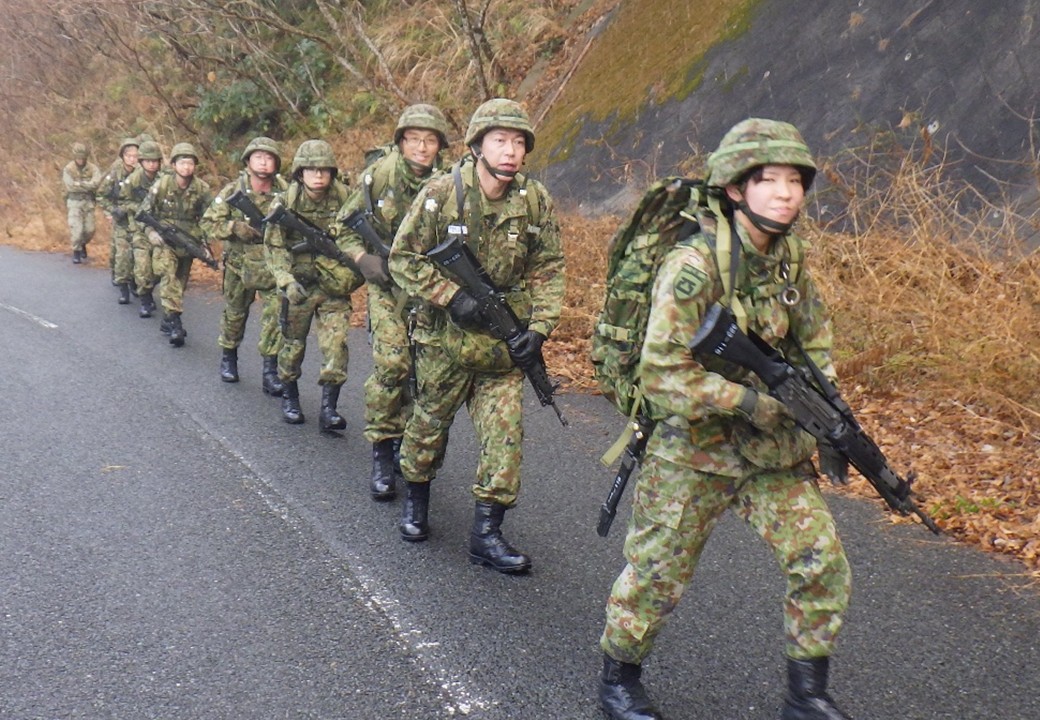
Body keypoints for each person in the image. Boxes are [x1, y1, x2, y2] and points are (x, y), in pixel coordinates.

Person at [596, 119, 853, 720]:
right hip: (693, 447)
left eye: (795, 181)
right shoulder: (694, 265)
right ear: (736, 189)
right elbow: (661, 371)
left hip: (771, 452)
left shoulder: (789, 259)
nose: (786, 194)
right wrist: (749, 403)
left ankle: (806, 696)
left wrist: (826, 409)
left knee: (821, 561)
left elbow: (814, 342)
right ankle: (618, 679)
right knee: (657, 572)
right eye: (770, 180)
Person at [387, 98, 565, 573]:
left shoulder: (533, 200)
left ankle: (487, 533)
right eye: (500, 140)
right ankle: (416, 501)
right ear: (477, 145)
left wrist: (539, 330)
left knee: (506, 439)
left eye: (519, 142)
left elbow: (549, 267)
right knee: (428, 426)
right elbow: (402, 259)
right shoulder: (442, 192)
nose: (511, 151)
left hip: (500, 347)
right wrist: (451, 297)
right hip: (443, 343)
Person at [331, 103, 449, 501]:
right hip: (386, 289)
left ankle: (406, 446)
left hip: (429, 293)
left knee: (423, 376)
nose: (422, 147)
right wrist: (362, 258)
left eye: (430, 140)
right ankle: (382, 449)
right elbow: (343, 226)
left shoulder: (452, 184)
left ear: (440, 145)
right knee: (392, 365)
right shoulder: (378, 176)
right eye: (414, 139)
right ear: (400, 141)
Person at [264, 139, 358, 430]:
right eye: (311, 169)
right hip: (299, 285)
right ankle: (289, 397)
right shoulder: (286, 202)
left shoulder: (345, 197)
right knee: (292, 345)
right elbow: (274, 248)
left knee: (337, 345)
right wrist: (286, 281)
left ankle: (329, 408)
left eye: (324, 170)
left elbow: (358, 237)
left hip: (333, 285)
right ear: (299, 173)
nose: (318, 175)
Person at [203, 136, 288, 395]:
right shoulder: (233, 191)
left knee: (275, 316)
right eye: (258, 157)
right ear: (248, 161)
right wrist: (234, 227)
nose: (263, 162)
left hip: (272, 266)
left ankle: (270, 371)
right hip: (239, 265)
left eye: (269, 157)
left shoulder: (286, 192)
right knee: (235, 313)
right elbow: (208, 223)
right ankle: (229, 356)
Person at [138, 142, 214, 347]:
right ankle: (175, 324)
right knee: (168, 276)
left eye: (190, 163)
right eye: (182, 163)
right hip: (164, 240)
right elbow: (143, 213)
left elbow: (210, 219)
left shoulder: (202, 188)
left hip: (188, 241)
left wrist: (206, 245)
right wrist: (151, 232)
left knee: (180, 284)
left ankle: (167, 318)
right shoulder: (162, 185)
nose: (186, 167)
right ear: (173, 165)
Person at [122, 140, 165, 319]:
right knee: (143, 265)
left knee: (160, 268)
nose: (152, 164)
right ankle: (145, 299)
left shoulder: (164, 179)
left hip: (159, 226)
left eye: (155, 161)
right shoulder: (134, 179)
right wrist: (140, 209)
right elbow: (124, 201)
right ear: (141, 162)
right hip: (138, 227)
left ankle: (145, 286)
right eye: (148, 161)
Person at [97, 137, 140, 303]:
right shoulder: (115, 172)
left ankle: (136, 282)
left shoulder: (144, 173)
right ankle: (123, 285)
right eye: (129, 156)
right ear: (123, 156)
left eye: (136, 156)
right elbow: (101, 195)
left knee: (138, 254)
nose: (132, 159)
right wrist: (110, 211)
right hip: (120, 217)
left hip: (139, 218)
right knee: (121, 253)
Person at [62, 142, 102, 264]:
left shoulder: (93, 168)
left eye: (82, 158)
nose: (80, 160)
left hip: (88, 202)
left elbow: (96, 183)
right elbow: (70, 186)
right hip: (74, 202)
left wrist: (80, 184)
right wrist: (87, 185)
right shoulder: (68, 169)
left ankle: (83, 243)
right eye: (78, 158)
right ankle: (76, 251)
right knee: (77, 230)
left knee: (90, 230)